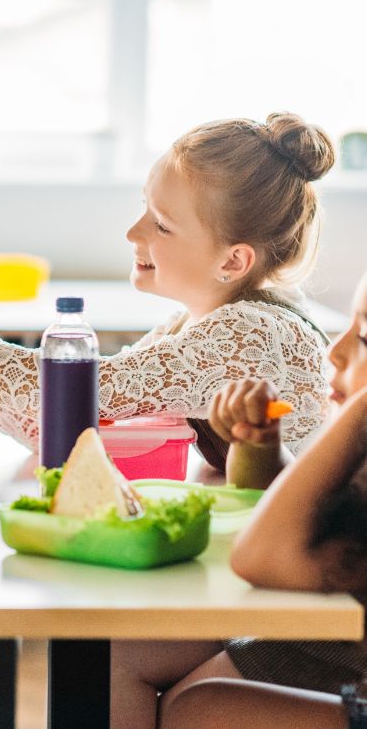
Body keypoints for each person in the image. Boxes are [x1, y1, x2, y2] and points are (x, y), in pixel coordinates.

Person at [0, 112, 334, 467]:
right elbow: (63, 426)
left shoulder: (247, 336)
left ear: (233, 260)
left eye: (161, 225)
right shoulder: (192, 324)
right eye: (144, 207)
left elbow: (77, 395)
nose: (133, 233)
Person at [113, 270, 367, 729]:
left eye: (364, 337)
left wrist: (360, 406)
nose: (336, 349)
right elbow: (293, 514)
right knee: (113, 652)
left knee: (196, 710)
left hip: (350, 662)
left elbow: (259, 556)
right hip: (320, 636)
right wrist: (259, 448)